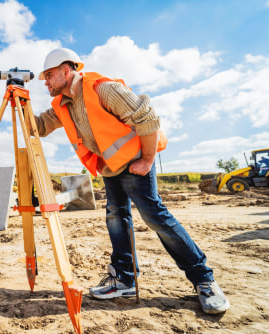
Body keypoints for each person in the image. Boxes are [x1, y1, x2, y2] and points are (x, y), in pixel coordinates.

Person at [33, 47, 230, 315]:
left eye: (50, 75)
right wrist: (18, 101)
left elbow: (147, 116)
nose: (45, 81)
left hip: (137, 162)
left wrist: (148, 160)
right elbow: (40, 126)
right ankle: (124, 279)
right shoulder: (62, 104)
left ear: (67, 70)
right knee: (115, 216)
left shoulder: (103, 89)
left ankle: (204, 280)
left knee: (154, 217)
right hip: (110, 168)